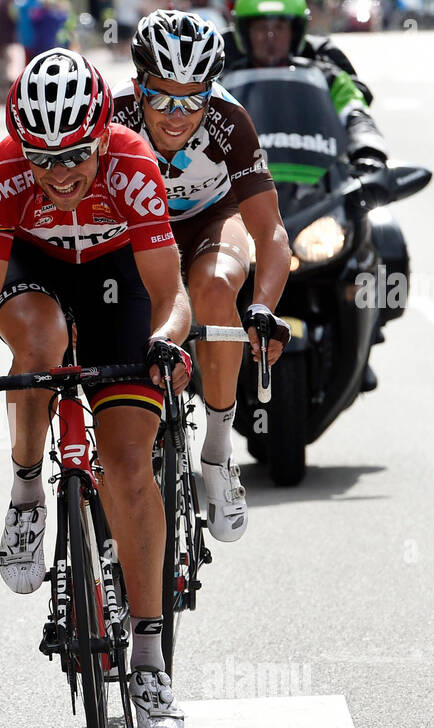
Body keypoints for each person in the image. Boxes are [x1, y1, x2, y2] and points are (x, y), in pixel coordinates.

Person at [0, 49, 284, 728]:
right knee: (36, 346)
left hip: (116, 279)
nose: (61, 174)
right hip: (36, 274)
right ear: (21, 147)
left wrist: (163, 340)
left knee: (128, 466)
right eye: (43, 158)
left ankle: (151, 660)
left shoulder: (132, 163)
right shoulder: (1, 177)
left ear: (103, 135)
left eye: (76, 156)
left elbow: (169, 295)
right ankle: (28, 494)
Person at [117, 10, 290, 544]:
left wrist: (262, 307)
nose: (177, 114)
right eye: (162, 97)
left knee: (217, 289)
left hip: (213, 218)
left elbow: (272, 233)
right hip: (134, 227)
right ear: (138, 86)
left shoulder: (229, 121)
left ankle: (217, 454)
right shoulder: (113, 116)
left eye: (192, 98)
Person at [225, 0, 388, 171]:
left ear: (294, 31)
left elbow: (355, 113)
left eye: (279, 27)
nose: (270, 37)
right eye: (261, 28)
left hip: (319, 182)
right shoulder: (218, 72)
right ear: (244, 33)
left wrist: (369, 149)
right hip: (240, 182)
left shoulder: (327, 73)